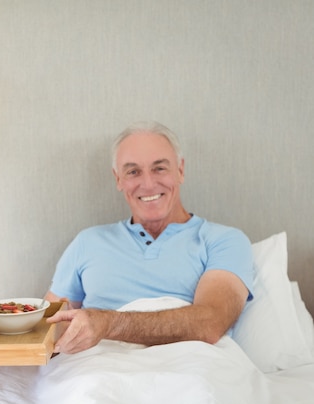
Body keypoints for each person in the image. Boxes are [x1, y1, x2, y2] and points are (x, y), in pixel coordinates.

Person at [45, 120, 254, 355]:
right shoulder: (87, 242)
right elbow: (50, 331)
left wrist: (108, 323)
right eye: (133, 172)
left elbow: (210, 324)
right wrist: (0, 320)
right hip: (98, 372)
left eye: (159, 168)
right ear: (118, 179)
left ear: (181, 170)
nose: (148, 184)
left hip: (188, 369)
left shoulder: (224, 240)